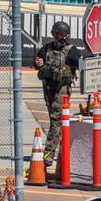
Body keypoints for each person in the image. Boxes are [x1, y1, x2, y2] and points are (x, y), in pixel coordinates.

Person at [33, 20, 81, 178]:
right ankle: (64, 152)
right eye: (54, 33)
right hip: (48, 89)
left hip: (62, 89)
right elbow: (37, 63)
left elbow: (82, 64)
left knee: (56, 120)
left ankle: (48, 155)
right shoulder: (46, 48)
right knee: (56, 122)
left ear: (65, 35)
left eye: (59, 34)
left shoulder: (71, 51)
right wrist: (37, 63)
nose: (56, 36)